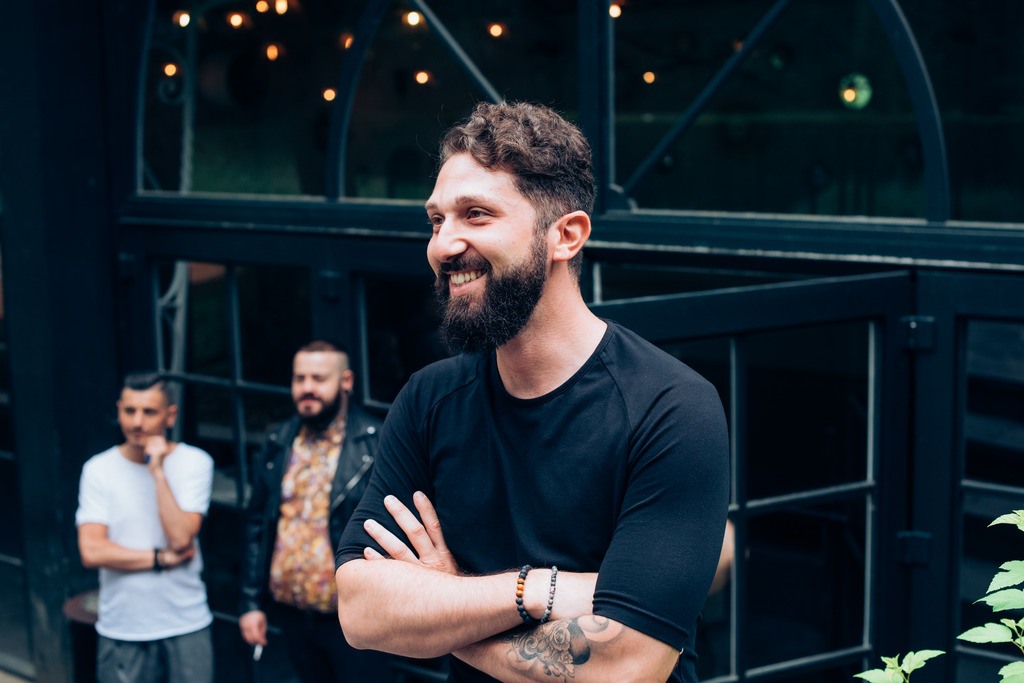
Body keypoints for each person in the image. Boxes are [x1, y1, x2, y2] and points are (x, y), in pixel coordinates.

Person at [334, 101, 731, 683]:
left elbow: (625, 666)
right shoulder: (428, 399)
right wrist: (537, 590)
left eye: (476, 215)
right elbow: (360, 613)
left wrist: (444, 608)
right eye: (437, 220)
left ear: (565, 236)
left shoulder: (671, 408)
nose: (443, 245)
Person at [239, 340, 390, 681]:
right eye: (300, 378)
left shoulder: (375, 443)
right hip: (291, 614)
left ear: (346, 381)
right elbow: (257, 525)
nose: (307, 388)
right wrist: (250, 604)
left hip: (355, 619)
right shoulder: (278, 440)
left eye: (318, 378)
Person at [76, 373, 214, 683]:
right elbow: (92, 551)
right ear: (119, 410)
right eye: (129, 411)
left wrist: (158, 472)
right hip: (123, 626)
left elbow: (181, 538)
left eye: (149, 412)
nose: (137, 422)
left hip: (186, 622)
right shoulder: (98, 469)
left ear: (170, 415)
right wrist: (159, 559)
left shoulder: (195, 462)